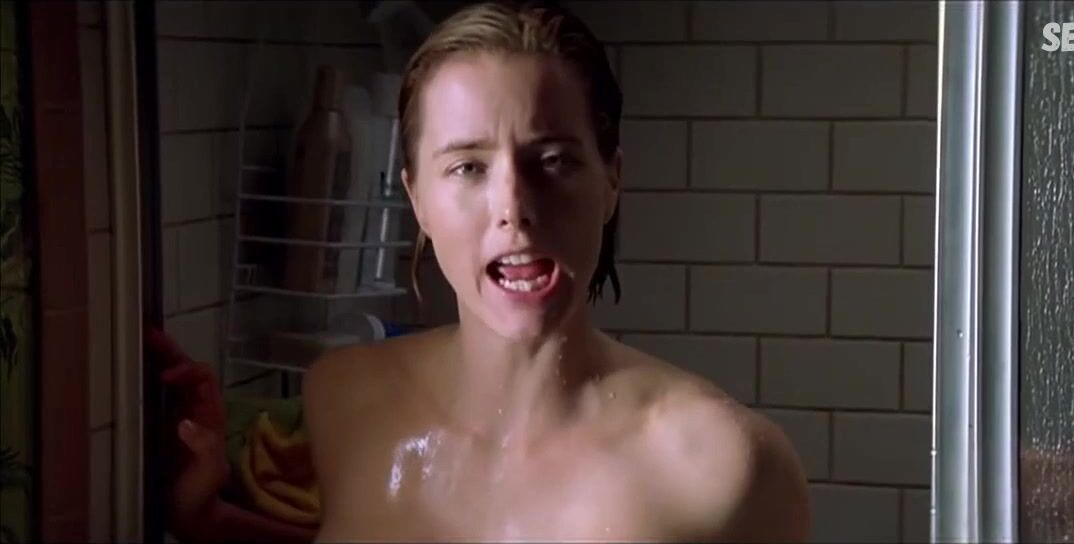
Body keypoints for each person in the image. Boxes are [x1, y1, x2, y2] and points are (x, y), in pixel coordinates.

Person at [160, 1, 811, 541]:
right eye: (468, 166)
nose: (514, 208)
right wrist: (206, 520)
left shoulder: (722, 468)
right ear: (416, 197)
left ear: (611, 180)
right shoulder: (344, 400)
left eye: (552, 161)